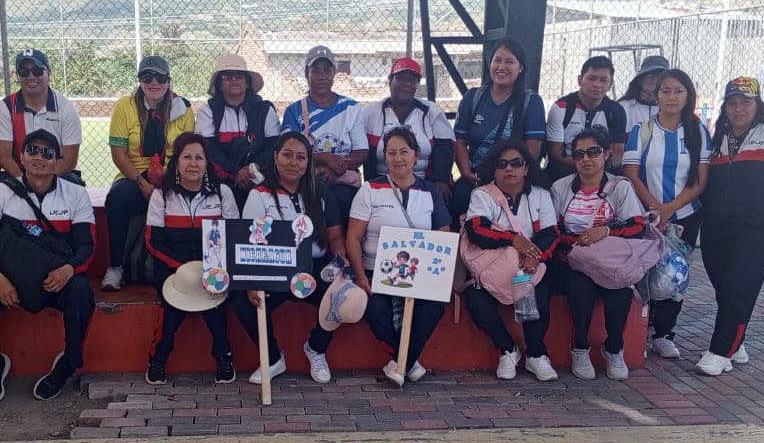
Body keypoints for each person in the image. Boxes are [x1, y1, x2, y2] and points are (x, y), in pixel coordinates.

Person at [0, 129, 97, 402]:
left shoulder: (76, 193)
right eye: (32, 150)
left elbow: (87, 246)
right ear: (21, 157)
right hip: (8, 284)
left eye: (48, 153)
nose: (39, 157)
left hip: (52, 282)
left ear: (58, 162)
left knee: (81, 291)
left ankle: (69, 362)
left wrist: (68, 269)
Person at [695, 76, 764, 376]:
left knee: (737, 287)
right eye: (732, 103)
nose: (739, 109)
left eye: (745, 103)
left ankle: (720, 352)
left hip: (759, 226)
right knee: (723, 286)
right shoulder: (718, 137)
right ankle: (735, 341)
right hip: (716, 225)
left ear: (758, 105)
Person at [231, 131, 347, 384]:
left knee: (346, 299)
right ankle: (273, 359)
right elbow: (250, 242)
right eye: (287, 155)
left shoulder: (321, 192)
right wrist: (253, 283)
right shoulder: (260, 194)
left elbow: (336, 238)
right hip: (272, 270)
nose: (294, 163)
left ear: (309, 162)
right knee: (242, 302)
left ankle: (316, 349)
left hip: (312, 269)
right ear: (275, 157)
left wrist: (339, 267)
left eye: (301, 157)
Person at [347, 126, 452, 386]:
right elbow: (353, 238)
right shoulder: (370, 190)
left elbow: (443, 237)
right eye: (391, 152)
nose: (397, 158)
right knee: (375, 310)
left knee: (433, 308)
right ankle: (408, 363)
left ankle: (401, 363)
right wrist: (361, 277)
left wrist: (438, 281)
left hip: (420, 276)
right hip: (376, 272)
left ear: (416, 155)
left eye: (404, 151)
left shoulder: (430, 192)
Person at [622, 68, 711, 359]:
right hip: (647, 215)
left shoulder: (698, 131)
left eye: (678, 91)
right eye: (665, 91)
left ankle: (664, 334)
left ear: (688, 95)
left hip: (685, 215)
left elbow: (701, 180)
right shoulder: (642, 131)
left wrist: (671, 209)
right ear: (656, 95)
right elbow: (631, 173)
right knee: (642, 273)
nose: (672, 97)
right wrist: (655, 209)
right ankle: (638, 332)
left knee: (674, 274)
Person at [549, 127, 647, 381]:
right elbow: (552, 230)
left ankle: (614, 348)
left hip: (610, 260)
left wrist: (605, 231)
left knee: (620, 290)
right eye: (579, 154)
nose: (586, 159)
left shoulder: (620, 187)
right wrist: (581, 242)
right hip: (572, 260)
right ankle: (580, 347)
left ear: (606, 154)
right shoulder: (561, 188)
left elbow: (637, 226)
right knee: (579, 288)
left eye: (593, 152)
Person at [144, 133, 239, 386]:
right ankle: (158, 359)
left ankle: (223, 357)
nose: (193, 163)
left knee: (215, 300)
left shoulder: (223, 193)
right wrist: (183, 269)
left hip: (212, 267)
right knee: (172, 305)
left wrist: (209, 270)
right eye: (187, 157)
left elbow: (231, 238)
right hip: (172, 267)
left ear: (207, 163)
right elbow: (153, 242)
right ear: (176, 162)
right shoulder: (162, 195)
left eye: (199, 157)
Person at [461, 139, 559, 382]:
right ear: (493, 169)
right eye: (501, 164)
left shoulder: (541, 195)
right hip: (490, 271)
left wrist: (535, 257)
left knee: (536, 295)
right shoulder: (482, 195)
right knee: (477, 303)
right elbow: (477, 230)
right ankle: (507, 349)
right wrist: (513, 240)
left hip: (526, 267)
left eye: (516, 163)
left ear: (526, 168)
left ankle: (536, 354)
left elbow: (550, 234)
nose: (509, 168)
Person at [102, 56, 196, 291]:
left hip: (173, 175)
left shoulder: (183, 109)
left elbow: (187, 152)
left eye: (160, 77)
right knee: (118, 197)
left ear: (168, 80)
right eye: (147, 76)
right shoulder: (125, 106)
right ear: (139, 80)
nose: (154, 82)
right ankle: (115, 267)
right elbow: (118, 154)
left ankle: (182, 266)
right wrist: (142, 185)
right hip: (136, 175)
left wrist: (167, 184)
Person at [451, 37, 546, 224]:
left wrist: (508, 177)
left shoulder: (531, 102)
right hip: (476, 178)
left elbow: (533, 150)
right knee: (459, 197)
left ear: (521, 67)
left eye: (509, 62)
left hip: (512, 178)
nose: (502, 67)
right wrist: (467, 173)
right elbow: (460, 142)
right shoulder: (473, 97)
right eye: (497, 60)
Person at [280, 45, 368, 227]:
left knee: (343, 197)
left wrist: (336, 167)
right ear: (307, 74)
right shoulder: (294, 111)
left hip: (342, 179)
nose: (322, 76)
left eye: (327, 70)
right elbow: (288, 154)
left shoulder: (351, 107)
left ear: (334, 73)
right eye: (316, 71)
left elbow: (361, 152)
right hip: (306, 178)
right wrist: (325, 159)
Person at [195, 53, 281, 205]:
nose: (233, 79)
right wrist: (236, 172)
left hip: (259, 178)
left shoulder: (264, 109)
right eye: (226, 76)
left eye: (238, 75)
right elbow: (208, 148)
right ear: (219, 85)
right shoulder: (208, 110)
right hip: (221, 181)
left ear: (247, 83)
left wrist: (251, 169)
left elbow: (273, 146)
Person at [362, 57, 455, 198]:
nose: (406, 84)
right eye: (400, 78)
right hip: (383, 183)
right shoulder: (371, 112)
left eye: (412, 80)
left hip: (425, 182)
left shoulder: (431, 111)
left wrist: (440, 180)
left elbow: (446, 148)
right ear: (390, 80)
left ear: (417, 84)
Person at [0, 48, 83, 180]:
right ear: (17, 75)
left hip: (56, 174)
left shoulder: (66, 108)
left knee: (75, 186)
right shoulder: (6, 107)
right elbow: (4, 155)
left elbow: (70, 160)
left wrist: (44, 182)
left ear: (48, 73)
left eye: (37, 70)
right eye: (24, 71)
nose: (31, 76)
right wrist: (25, 181)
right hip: (19, 174)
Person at [545, 55, 627, 181]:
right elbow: (555, 153)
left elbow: (617, 153)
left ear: (611, 84)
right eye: (591, 78)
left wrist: (596, 169)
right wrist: (586, 166)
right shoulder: (561, 107)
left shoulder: (616, 111)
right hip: (566, 169)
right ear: (580, 80)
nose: (597, 85)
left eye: (603, 80)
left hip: (602, 170)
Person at [617, 54, 670, 131]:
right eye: (649, 75)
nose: (654, 78)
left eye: (659, 75)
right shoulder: (623, 107)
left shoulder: (672, 108)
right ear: (640, 79)